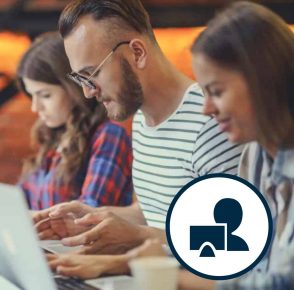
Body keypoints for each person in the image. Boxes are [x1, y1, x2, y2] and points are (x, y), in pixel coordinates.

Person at [48, 2, 294, 289]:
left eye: (216, 91)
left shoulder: (219, 132)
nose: (87, 92)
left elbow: (231, 252)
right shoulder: (256, 155)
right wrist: (103, 225)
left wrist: (138, 254)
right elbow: (241, 253)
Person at [33, 0, 243, 255]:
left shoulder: (213, 124)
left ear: (137, 53)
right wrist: (90, 219)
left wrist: (138, 238)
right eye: (80, 78)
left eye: (92, 73)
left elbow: (230, 244)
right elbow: (156, 213)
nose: (87, 92)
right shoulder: (143, 121)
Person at [0, 32, 134, 216]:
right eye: (32, 95)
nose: (35, 107)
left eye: (45, 95)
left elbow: (90, 213)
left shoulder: (109, 135)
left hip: (81, 250)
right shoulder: (56, 137)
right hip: (50, 248)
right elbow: (21, 199)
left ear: (75, 89)